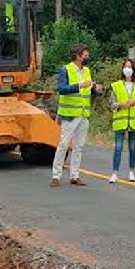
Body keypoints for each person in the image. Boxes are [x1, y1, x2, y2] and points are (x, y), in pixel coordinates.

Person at [48, 44, 104, 187]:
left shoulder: (86, 70)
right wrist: (80, 85)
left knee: (79, 146)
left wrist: (95, 89)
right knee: (63, 145)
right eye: (85, 55)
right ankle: (56, 175)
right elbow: (62, 89)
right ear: (78, 56)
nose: (87, 57)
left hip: (83, 113)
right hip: (69, 115)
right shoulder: (65, 70)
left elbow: (88, 89)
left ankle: (75, 175)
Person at [108, 59, 135, 183]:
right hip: (120, 121)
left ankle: (131, 171)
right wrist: (121, 104)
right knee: (118, 147)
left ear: (134, 69)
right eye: (125, 66)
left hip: (134, 121)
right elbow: (111, 104)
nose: (127, 69)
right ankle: (114, 173)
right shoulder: (116, 85)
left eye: (130, 67)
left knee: (132, 147)